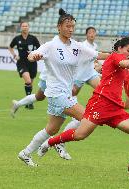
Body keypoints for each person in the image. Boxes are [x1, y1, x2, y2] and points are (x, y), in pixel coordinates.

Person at [37, 37, 129, 171]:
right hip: (101, 103)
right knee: (80, 135)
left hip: (115, 108)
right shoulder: (116, 56)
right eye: (128, 51)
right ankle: (51, 142)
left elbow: (117, 67)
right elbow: (124, 63)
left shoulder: (117, 59)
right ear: (119, 48)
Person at [17, 9, 109, 166]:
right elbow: (32, 55)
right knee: (88, 118)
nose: (71, 29)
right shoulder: (51, 45)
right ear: (59, 27)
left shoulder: (76, 46)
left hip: (65, 94)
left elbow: (97, 54)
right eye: (67, 26)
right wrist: (34, 57)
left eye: (73, 26)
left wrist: (117, 56)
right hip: (56, 94)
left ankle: (25, 153)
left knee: (51, 129)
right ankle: (58, 142)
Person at [8, 22, 40, 109]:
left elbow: (40, 48)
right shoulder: (17, 38)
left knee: (30, 84)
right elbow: (10, 47)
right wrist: (14, 55)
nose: (24, 27)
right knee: (28, 81)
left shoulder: (33, 38)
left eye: (26, 26)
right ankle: (29, 103)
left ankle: (27, 101)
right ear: (20, 28)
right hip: (21, 63)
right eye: (23, 26)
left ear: (28, 28)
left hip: (32, 63)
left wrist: (35, 54)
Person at [72, 26, 100, 96]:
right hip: (80, 74)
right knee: (72, 95)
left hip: (90, 73)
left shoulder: (95, 45)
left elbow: (94, 58)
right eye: (90, 33)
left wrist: (96, 63)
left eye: (93, 32)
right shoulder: (83, 45)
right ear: (86, 35)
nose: (92, 34)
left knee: (102, 89)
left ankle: (95, 105)